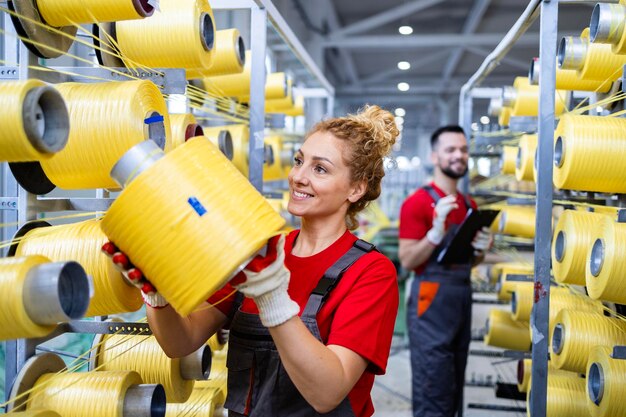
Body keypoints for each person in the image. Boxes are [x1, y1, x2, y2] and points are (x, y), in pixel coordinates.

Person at [104, 105, 400, 417]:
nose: (298, 177)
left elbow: (327, 393)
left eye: (320, 169)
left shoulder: (370, 272)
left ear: (356, 189)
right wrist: (156, 295)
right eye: (299, 161)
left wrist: (271, 296)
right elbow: (181, 342)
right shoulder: (259, 248)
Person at [398, 125, 492, 417]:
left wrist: (481, 250)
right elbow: (407, 260)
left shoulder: (469, 205)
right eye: (450, 150)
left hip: (461, 294)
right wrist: (435, 233)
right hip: (431, 298)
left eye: (463, 150)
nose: (458, 156)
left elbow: (469, 264)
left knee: (454, 385)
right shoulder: (417, 203)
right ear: (434, 156)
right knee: (433, 384)